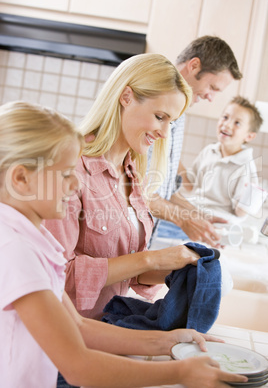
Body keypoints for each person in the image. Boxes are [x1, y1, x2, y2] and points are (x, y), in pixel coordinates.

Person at [0, 101, 248, 388]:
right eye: (67, 173)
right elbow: (77, 366)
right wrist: (180, 373)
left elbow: (77, 327)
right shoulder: (15, 250)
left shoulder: (36, 239)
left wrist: (167, 341)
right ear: (21, 179)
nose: (76, 184)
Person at [45, 52, 200, 323]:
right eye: (160, 116)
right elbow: (55, 275)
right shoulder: (70, 168)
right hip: (67, 339)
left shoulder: (132, 173)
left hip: (107, 329)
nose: (165, 133)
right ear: (126, 97)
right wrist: (150, 260)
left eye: (171, 122)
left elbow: (126, 270)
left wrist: (179, 269)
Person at [147, 35, 243, 247]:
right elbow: (136, 190)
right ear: (194, 65)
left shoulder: (179, 112)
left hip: (142, 237)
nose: (211, 98)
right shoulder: (153, 104)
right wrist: (184, 219)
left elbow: (163, 191)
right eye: (213, 88)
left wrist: (199, 216)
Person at [178, 95, 263, 219]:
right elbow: (191, 185)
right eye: (225, 117)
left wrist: (247, 202)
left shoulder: (245, 167)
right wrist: (175, 161)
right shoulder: (209, 151)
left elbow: (241, 213)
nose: (227, 125)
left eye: (237, 123)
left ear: (249, 136)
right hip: (194, 215)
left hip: (218, 224)